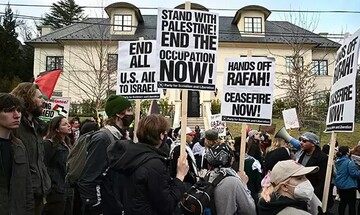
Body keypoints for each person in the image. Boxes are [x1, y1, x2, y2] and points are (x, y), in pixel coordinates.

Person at [107, 114, 189, 214]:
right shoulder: (154, 164)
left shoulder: (128, 155)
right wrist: (180, 176)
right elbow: (167, 205)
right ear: (161, 135)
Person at [78, 95, 133, 215]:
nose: (131, 114)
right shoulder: (103, 139)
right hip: (103, 206)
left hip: (114, 204)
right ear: (119, 114)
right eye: (128, 110)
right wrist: (95, 207)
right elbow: (89, 177)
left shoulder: (120, 137)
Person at [11, 83, 51, 215]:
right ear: (26, 98)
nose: (43, 101)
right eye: (39, 98)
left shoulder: (36, 127)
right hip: (20, 196)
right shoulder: (15, 128)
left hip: (38, 194)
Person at [0, 93, 34, 214]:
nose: (16, 115)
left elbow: (27, 188)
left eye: (18, 110)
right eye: (8, 111)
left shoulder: (19, 146)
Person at [205, 143, 257, 215]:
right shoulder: (234, 182)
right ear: (231, 160)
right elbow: (250, 210)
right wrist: (244, 185)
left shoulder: (204, 177)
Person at [296, 132, 334, 210]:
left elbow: (323, 181)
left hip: (315, 196)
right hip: (302, 193)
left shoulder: (322, 158)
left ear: (313, 143)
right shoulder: (302, 154)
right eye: (300, 140)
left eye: (304, 141)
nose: (301, 143)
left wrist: (312, 196)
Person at [43, 116, 72, 215]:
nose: (69, 126)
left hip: (67, 189)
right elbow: (44, 166)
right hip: (56, 190)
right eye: (64, 124)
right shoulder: (49, 145)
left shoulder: (68, 143)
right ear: (56, 129)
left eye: (68, 123)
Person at [335, 146, 360, 215]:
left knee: (342, 203)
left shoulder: (337, 161)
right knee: (351, 205)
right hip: (349, 186)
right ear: (347, 152)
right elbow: (353, 173)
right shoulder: (349, 162)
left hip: (341, 185)